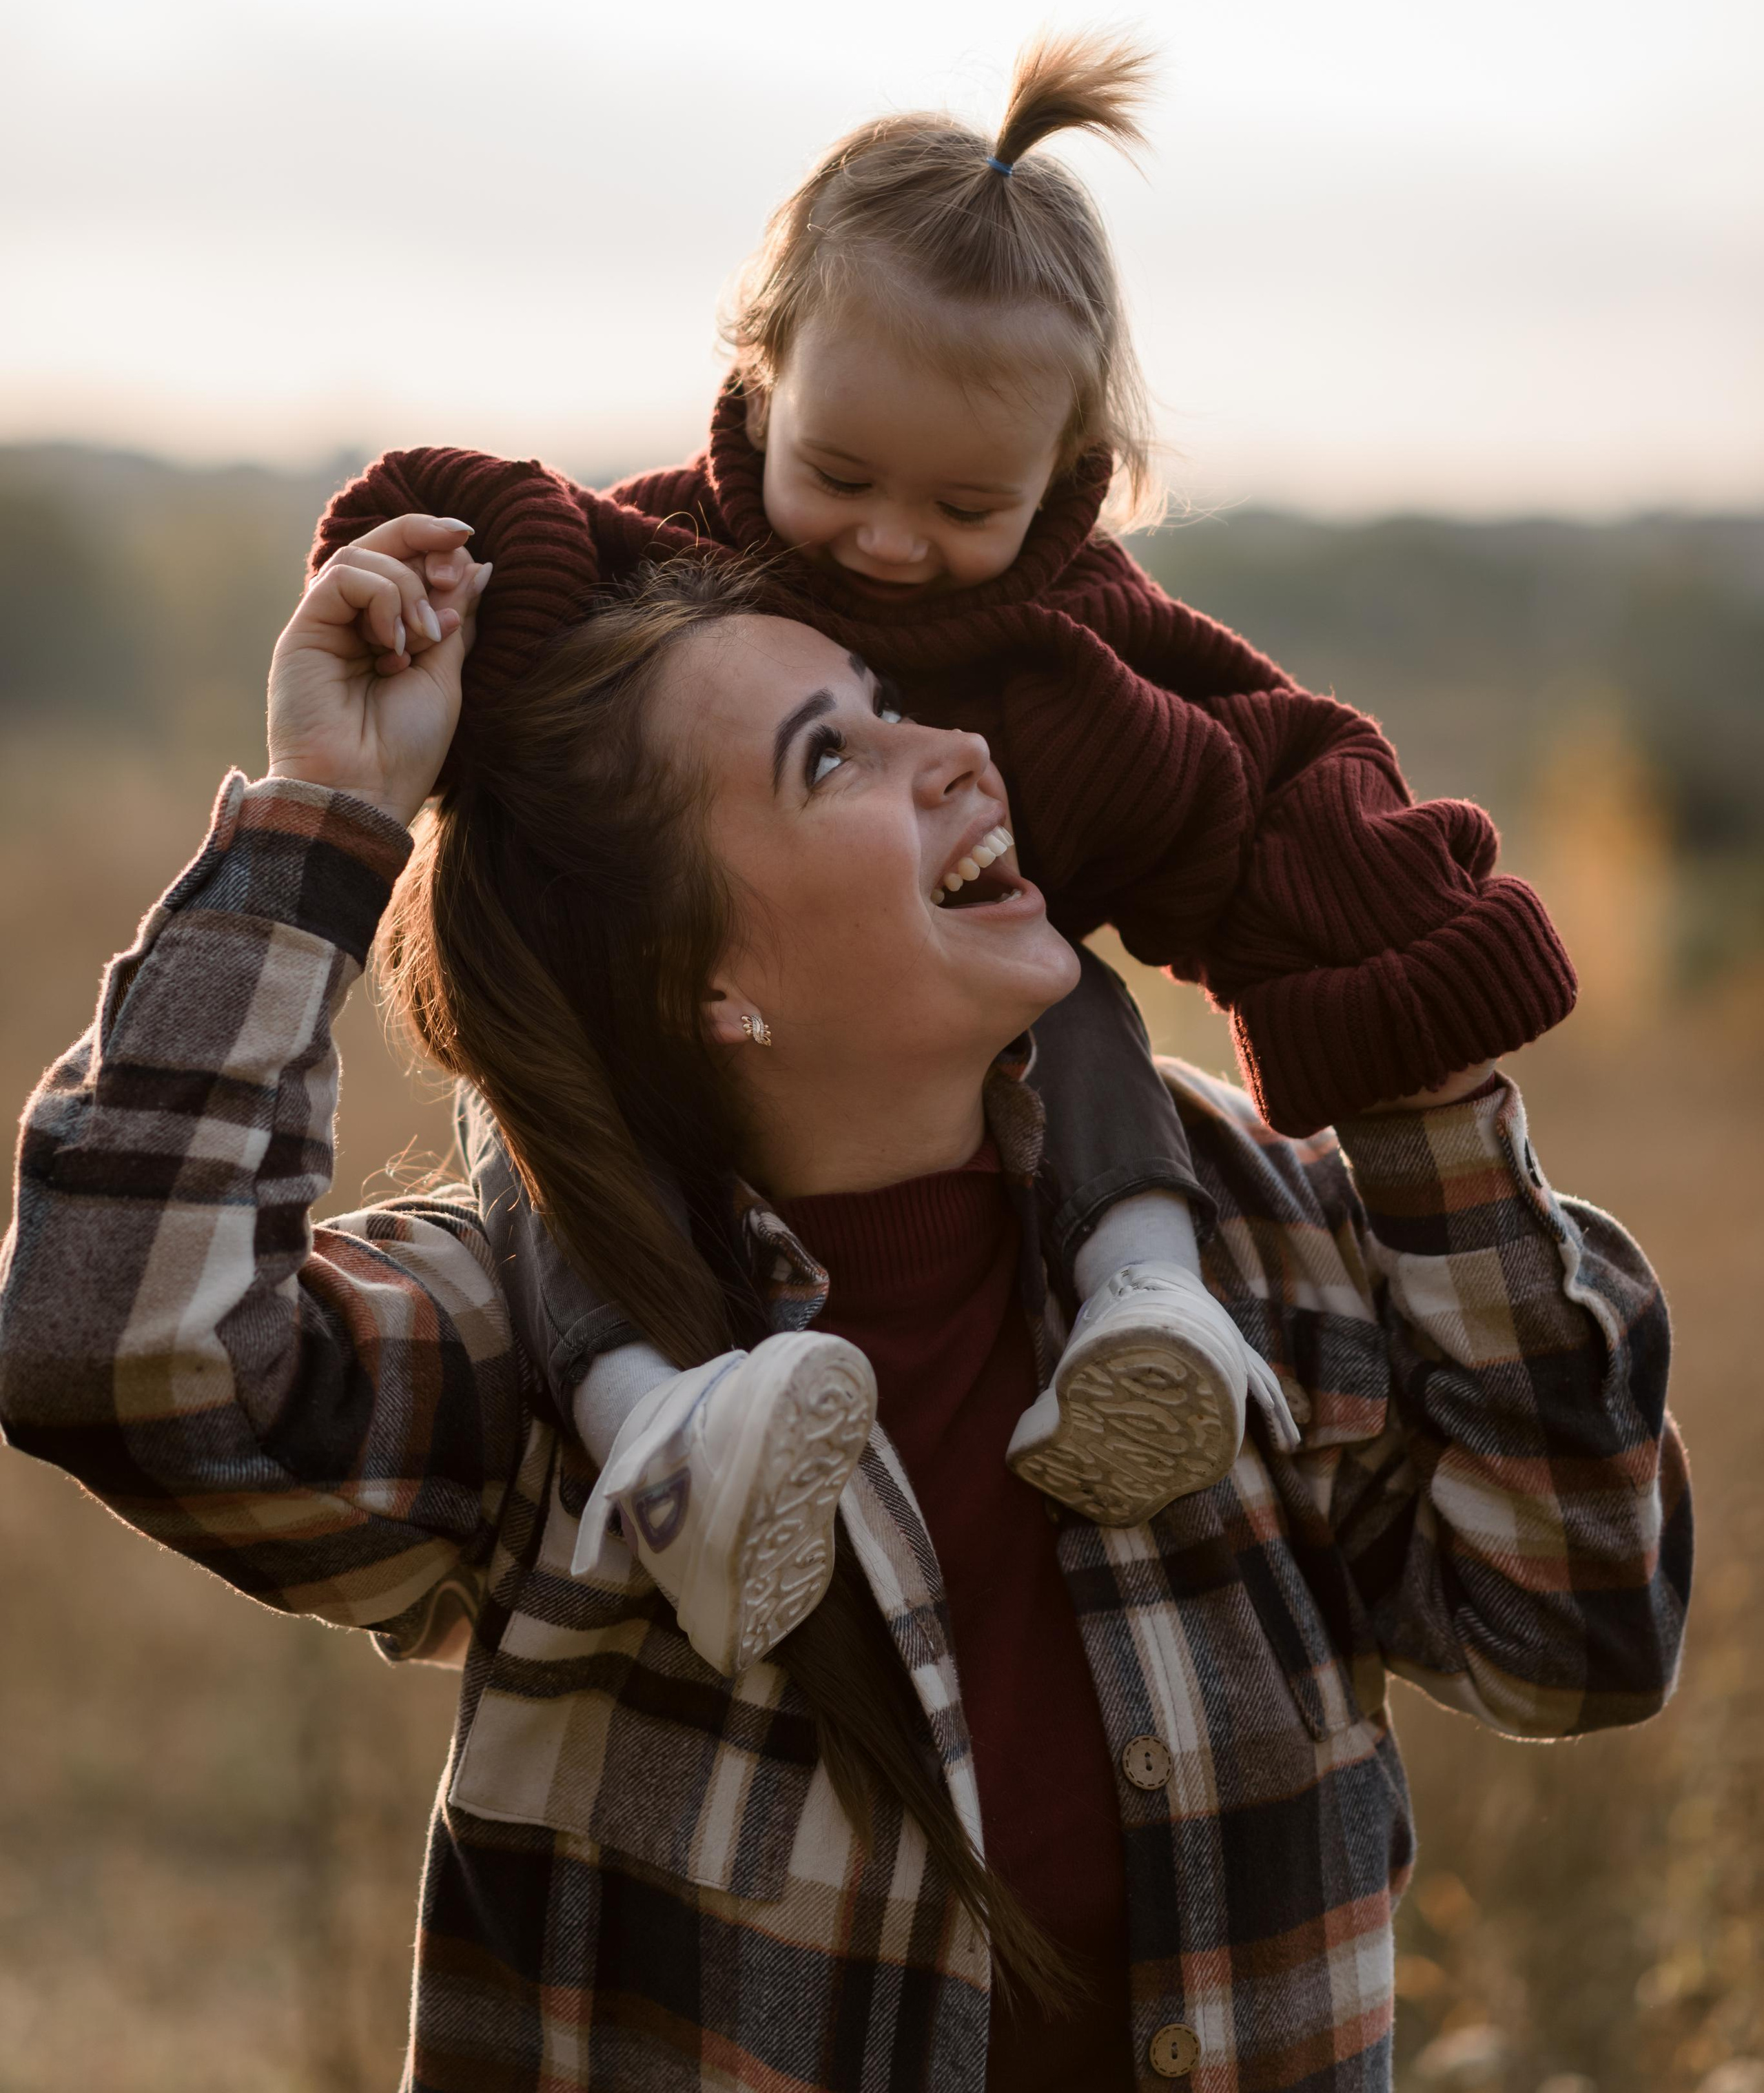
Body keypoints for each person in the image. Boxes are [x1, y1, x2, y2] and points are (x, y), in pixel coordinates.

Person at [1, 521, 1688, 2093]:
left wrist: (1416, 1066)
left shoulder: (1241, 1238)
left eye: (893, 707)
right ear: (704, 985)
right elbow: (112, 1352)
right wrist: (326, 818)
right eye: (831, 759)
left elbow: (1577, 1629)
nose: (952, 753)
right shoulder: (539, 1350)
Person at [310, 32, 1579, 1678]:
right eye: (839, 476)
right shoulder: (665, 564)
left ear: (1069, 476)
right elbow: (512, 559)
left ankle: (1146, 1302)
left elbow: (1256, 771)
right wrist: (412, 596)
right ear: (757, 380)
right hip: (653, 1019)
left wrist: (1399, 956)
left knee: (1078, 1006)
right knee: (545, 1113)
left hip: (989, 1045)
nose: (891, 543)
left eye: (966, 507)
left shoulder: (1080, 646)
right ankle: (651, 1426)